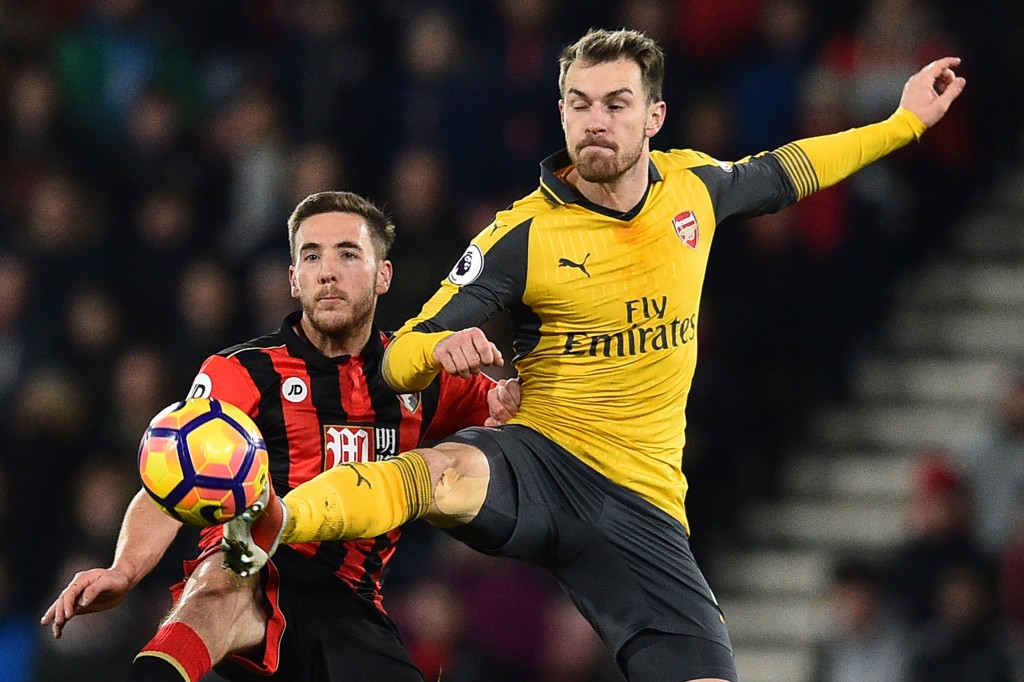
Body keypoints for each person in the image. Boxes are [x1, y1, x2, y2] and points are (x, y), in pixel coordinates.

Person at [222, 29, 966, 682]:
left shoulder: (694, 191)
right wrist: (439, 350)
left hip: (644, 506)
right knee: (442, 472)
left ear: (655, 117)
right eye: (579, 104)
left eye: (616, 104)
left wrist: (903, 123)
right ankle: (276, 520)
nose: (596, 122)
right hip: (543, 460)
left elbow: (790, 168)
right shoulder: (525, 234)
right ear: (561, 115)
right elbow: (398, 355)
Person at [40, 190, 521, 682]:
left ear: (384, 275)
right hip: (248, 572)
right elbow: (170, 481)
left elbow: (522, 420)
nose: (326, 271)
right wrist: (125, 569)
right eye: (311, 256)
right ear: (294, 279)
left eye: (348, 254)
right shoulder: (242, 371)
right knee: (214, 590)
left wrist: (506, 400)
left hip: (350, 605)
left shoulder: (423, 376)